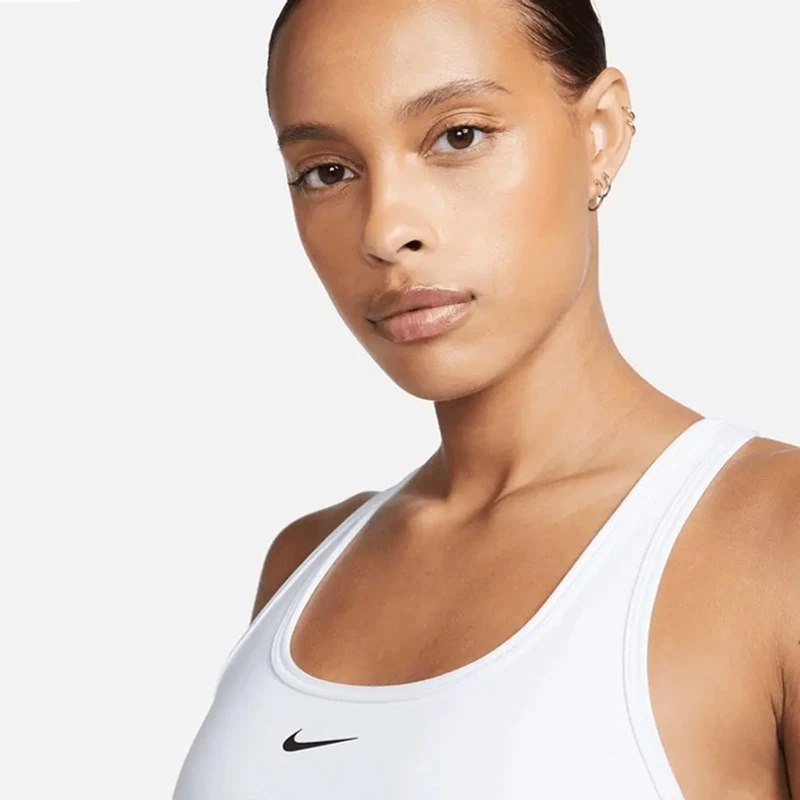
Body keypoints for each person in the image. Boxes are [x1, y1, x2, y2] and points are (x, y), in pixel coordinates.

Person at [172, 1, 799, 797]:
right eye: (327, 171)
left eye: (459, 136)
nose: (385, 228)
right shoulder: (301, 568)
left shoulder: (775, 541)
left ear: (601, 133)